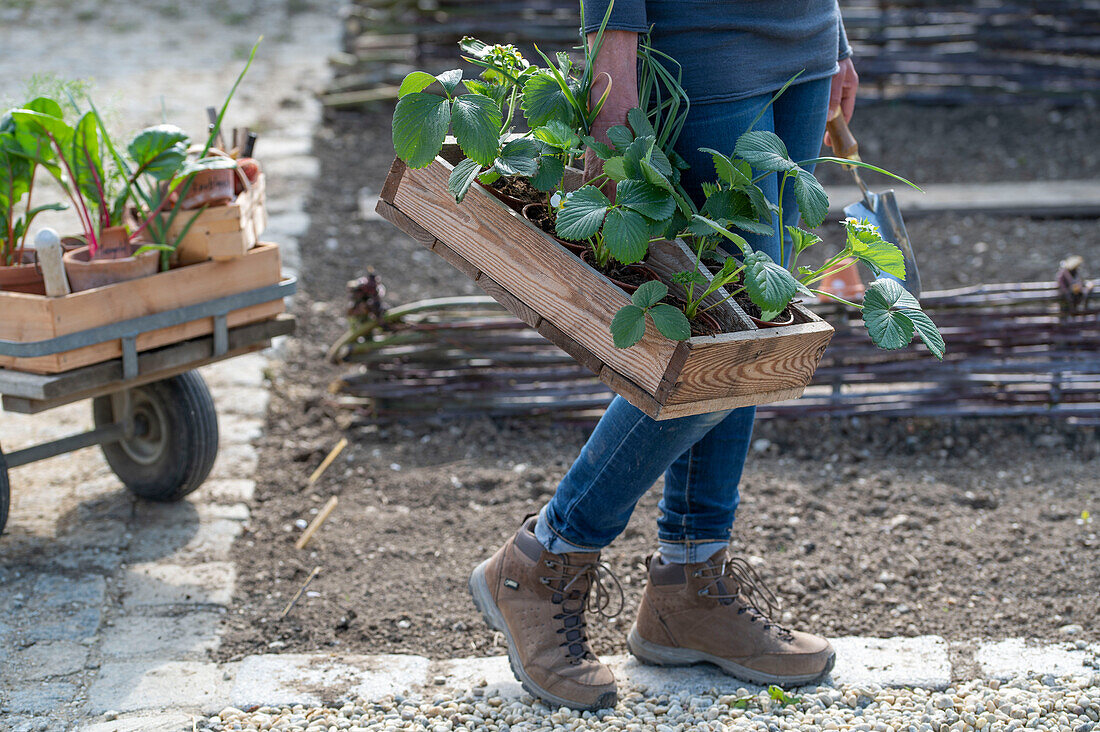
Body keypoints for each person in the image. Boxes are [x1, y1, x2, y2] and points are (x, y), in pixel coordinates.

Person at [468, 0, 860, 711]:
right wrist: (611, 58)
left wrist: (833, 30)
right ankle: (544, 556)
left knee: (753, 319)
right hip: (705, 46)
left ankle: (689, 584)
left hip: (804, 40)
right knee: (731, 338)